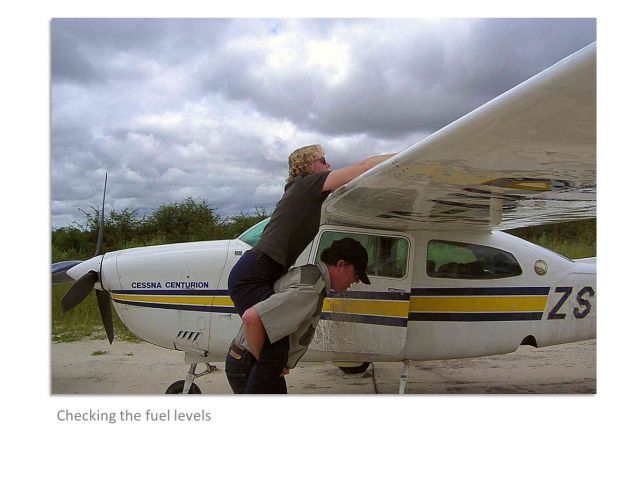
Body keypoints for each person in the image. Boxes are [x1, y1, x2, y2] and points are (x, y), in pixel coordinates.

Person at [226, 145, 394, 391]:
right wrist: (409, 153)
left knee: (276, 349)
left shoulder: (304, 192)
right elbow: (361, 168)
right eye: (323, 160)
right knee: (274, 350)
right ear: (307, 166)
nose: (329, 166)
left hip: (260, 271)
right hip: (254, 274)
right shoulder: (308, 185)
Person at [225, 237, 371, 394]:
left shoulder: (311, 274)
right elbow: (251, 318)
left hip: (251, 361)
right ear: (341, 265)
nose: (355, 281)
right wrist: (266, 363)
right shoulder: (310, 290)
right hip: (249, 363)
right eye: (356, 274)